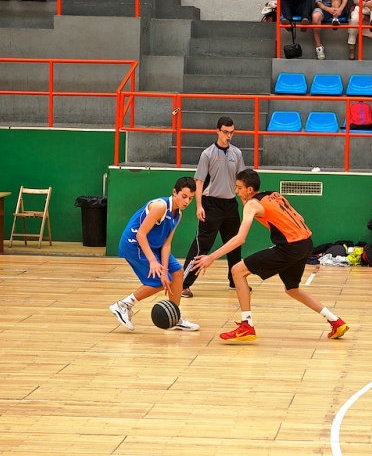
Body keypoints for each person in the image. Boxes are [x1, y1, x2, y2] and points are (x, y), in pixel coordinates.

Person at [191, 169, 349, 342]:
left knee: (237, 271)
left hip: (290, 247)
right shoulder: (275, 195)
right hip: (306, 243)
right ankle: (336, 321)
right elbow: (300, 217)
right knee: (292, 289)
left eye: (239, 187)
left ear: (250, 190)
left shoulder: (252, 204)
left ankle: (247, 326)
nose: (236, 191)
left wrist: (211, 257)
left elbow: (240, 238)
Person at [110, 177, 199, 332]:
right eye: (184, 196)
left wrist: (164, 270)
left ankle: (175, 316)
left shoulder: (178, 215)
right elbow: (141, 234)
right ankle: (123, 305)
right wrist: (153, 262)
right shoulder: (160, 207)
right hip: (134, 244)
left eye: (190, 199)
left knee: (176, 274)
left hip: (155, 246)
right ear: (174, 192)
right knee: (159, 282)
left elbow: (166, 244)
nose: (186, 202)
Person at [181, 116, 245, 297]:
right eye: (226, 132)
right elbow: (199, 182)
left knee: (234, 245)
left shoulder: (237, 154)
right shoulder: (207, 154)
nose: (229, 136)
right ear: (217, 131)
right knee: (202, 246)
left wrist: (246, 205)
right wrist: (199, 206)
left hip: (230, 205)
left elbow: (241, 182)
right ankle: (184, 284)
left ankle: (235, 281)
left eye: (232, 132)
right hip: (211, 205)